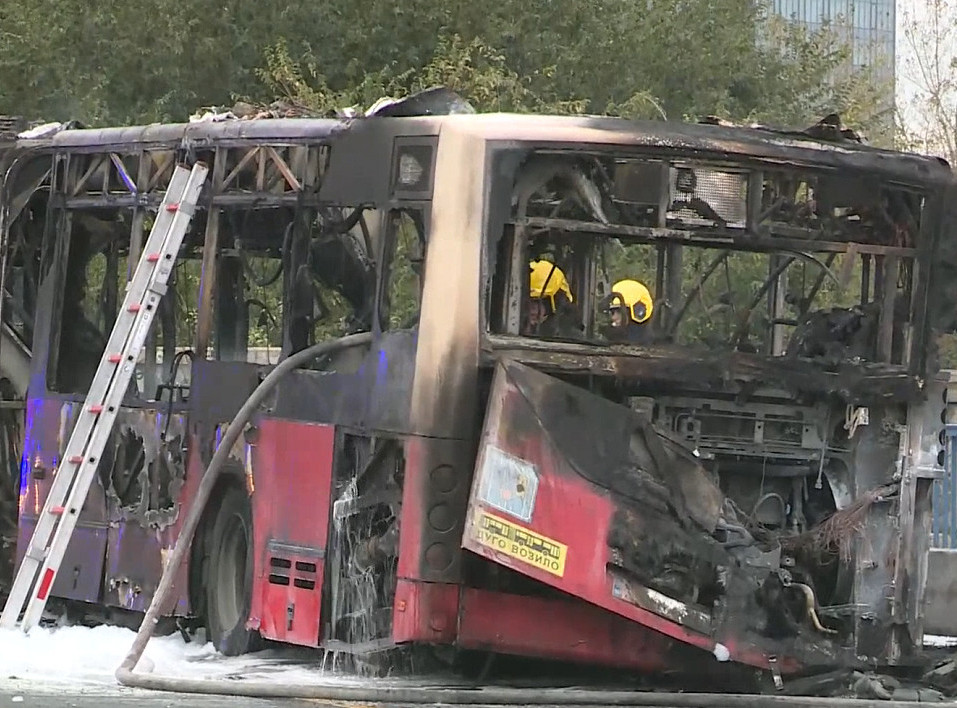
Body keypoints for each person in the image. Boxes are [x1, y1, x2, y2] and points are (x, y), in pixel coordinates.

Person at [524, 260, 582, 339]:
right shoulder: (511, 329)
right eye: (526, 303)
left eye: (536, 302)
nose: (530, 311)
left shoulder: (572, 339)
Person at [601, 278, 654, 344]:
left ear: (639, 312)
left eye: (620, 311)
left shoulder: (652, 350)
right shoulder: (604, 343)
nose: (613, 317)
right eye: (612, 312)